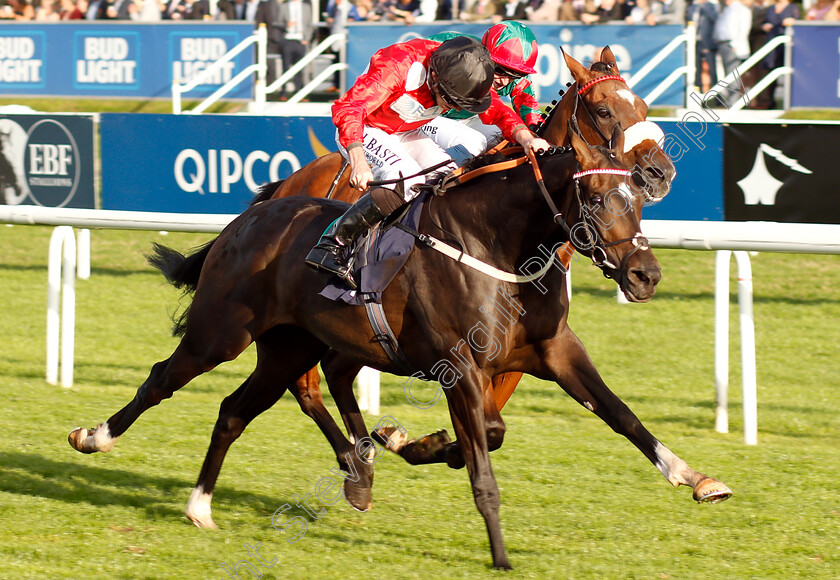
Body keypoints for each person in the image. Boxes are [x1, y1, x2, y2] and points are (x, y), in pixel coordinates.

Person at [305, 36, 550, 287]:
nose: (454, 109)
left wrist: (526, 139)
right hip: (367, 127)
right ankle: (332, 243)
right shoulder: (400, 64)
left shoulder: (466, 71)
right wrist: (358, 160)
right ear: (435, 79)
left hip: (407, 129)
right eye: (450, 102)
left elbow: (498, 111)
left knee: (448, 177)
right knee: (407, 177)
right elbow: (349, 108)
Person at [422, 21, 543, 161]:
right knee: (475, 142)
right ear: (485, 55)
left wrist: (537, 139)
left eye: (517, 74)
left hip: (463, 119)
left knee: (505, 141)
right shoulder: (455, 50)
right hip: (425, 115)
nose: (505, 81)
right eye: (500, 70)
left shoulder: (515, 78)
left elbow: (532, 116)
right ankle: (435, 178)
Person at [758, 0, 800, 107]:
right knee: (768, 70)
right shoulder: (771, 8)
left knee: (788, 73)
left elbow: (800, 23)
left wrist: (793, 22)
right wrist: (764, 26)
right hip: (771, 42)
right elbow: (761, 22)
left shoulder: (792, 8)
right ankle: (768, 102)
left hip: (787, 44)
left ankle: (790, 102)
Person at [712, 0, 752, 105]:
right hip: (724, 44)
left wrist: (736, 44)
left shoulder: (741, 10)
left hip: (732, 46)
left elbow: (744, 29)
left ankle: (734, 102)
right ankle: (730, 100)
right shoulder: (726, 9)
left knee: (733, 74)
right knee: (727, 73)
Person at [275, 0, 314, 97]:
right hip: (288, 40)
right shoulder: (284, 6)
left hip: (301, 41)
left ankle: (299, 92)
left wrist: (307, 38)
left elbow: (309, 24)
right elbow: (277, 22)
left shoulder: (306, 7)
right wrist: (286, 25)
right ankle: (283, 92)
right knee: (286, 67)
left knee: (300, 68)